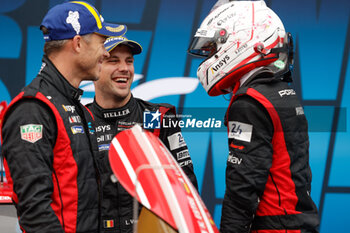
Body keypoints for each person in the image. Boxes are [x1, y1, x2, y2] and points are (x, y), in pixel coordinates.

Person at [188, 1, 319, 232]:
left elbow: (243, 186)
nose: (209, 56)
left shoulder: (250, 102)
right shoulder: (281, 92)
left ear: (242, 40)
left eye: (213, 48)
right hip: (301, 222)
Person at [0, 1, 127, 232]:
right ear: (78, 43)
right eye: (102, 42)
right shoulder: (33, 109)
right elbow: (36, 212)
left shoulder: (73, 105)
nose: (106, 52)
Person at [86, 36, 198, 233]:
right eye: (114, 60)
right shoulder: (78, 120)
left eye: (129, 61)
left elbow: (186, 189)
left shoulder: (158, 117)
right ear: (96, 67)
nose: (125, 68)